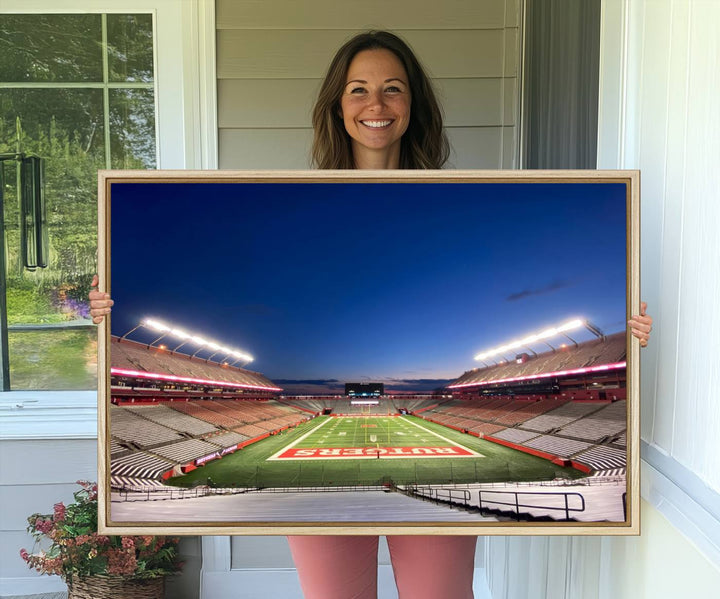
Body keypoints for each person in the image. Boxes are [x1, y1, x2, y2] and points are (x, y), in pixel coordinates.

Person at [90, 30, 653, 599]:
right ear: (338, 104)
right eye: (358, 89)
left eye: (393, 89)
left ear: (414, 105)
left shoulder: (452, 202)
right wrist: (103, 313)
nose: (376, 105)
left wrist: (627, 336)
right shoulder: (297, 201)